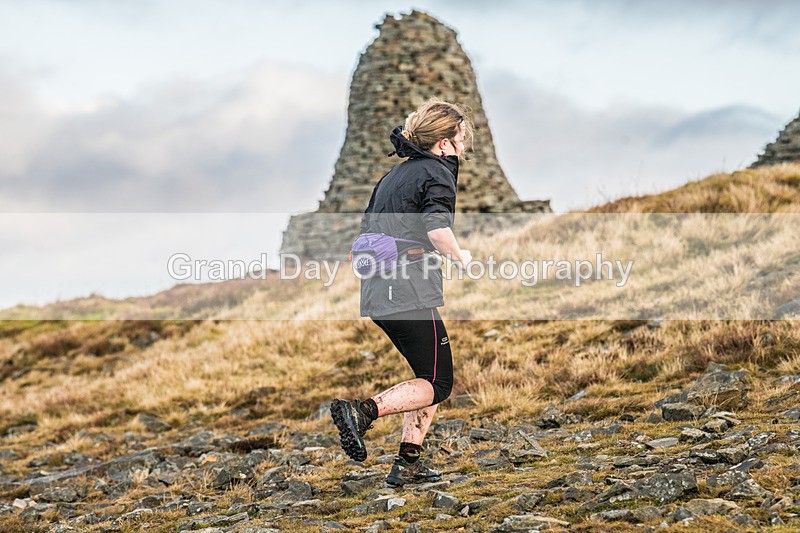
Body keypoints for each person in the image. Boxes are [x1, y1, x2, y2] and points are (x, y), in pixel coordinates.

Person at [330, 97, 473, 487]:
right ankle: (361, 412)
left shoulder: (393, 176)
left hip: (377, 291)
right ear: (443, 141)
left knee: (425, 377)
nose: (464, 145)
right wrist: (463, 259)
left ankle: (408, 462)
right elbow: (437, 231)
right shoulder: (437, 173)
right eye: (460, 137)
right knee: (439, 383)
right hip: (408, 288)